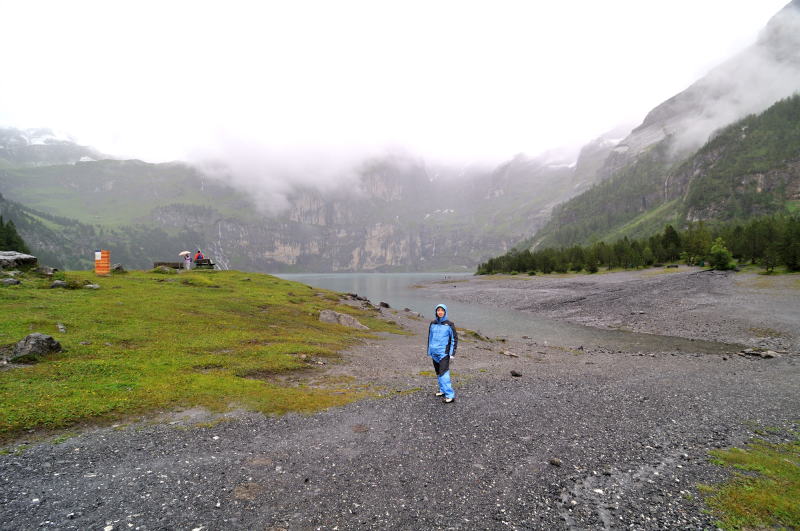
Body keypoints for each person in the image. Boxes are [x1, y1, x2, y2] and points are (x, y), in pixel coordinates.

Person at [427, 303, 458, 403]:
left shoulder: (450, 324)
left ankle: (450, 395)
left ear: (445, 312)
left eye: (442, 310)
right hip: (434, 353)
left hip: (444, 353)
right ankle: (442, 390)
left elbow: (454, 339)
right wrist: (429, 351)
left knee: (444, 373)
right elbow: (430, 337)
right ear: (436, 312)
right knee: (438, 373)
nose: (440, 312)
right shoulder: (433, 323)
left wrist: (452, 354)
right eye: (438, 310)